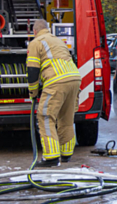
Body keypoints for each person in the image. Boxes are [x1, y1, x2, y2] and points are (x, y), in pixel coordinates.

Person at [26, 19, 81, 167]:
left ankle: (51, 157)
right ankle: (66, 154)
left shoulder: (35, 42)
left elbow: (32, 69)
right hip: (74, 79)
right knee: (66, 118)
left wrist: (33, 92)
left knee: (45, 116)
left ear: (34, 31)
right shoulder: (58, 40)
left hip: (56, 81)